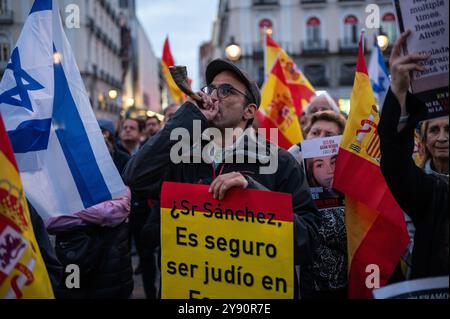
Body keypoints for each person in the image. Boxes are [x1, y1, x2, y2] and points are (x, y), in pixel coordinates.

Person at [123, 58, 320, 298]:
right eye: (211, 89)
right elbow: (135, 177)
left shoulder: (279, 162)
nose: (214, 96)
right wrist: (187, 118)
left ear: (249, 110)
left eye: (226, 90)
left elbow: (307, 241)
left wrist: (254, 194)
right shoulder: (184, 155)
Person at [378, 30, 449, 280]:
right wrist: (399, 89)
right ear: (424, 139)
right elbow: (394, 159)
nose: (442, 138)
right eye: (436, 130)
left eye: (449, 130)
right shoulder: (430, 191)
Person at [289, 110, 347, 299]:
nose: (320, 139)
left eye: (329, 135)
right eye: (315, 133)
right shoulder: (290, 172)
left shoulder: (353, 180)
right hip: (304, 285)